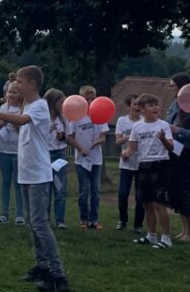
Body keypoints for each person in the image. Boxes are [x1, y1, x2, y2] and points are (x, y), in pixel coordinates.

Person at [0, 66, 69, 292]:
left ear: (32, 84)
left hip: (38, 174)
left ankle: (58, 275)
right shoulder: (28, 105)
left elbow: (20, 120)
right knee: (33, 223)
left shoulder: (40, 105)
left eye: (19, 82)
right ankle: (42, 267)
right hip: (27, 173)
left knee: (40, 224)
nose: (16, 86)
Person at [125, 93, 175, 249]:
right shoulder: (137, 127)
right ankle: (151, 236)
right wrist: (125, 154)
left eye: (156, 105)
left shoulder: (163, 125)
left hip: (160, 164)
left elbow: (171, 147)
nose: (155, 108)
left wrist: (163, 139)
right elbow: (132, 147)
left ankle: (166, 238)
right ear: (142, 109)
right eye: (151, 105)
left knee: (160, 203)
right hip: (143, 165)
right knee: (146, 203)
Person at [67, 85, 109, 229]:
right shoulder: (76, 117)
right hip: (81, 159)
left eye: (92, 98)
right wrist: (80, 148)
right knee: (84, 190)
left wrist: (96, 142)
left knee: (95, 190)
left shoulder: (100, 116)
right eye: (87, 99)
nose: (90, 101)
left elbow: (103, 137)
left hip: (96, 158)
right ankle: (83, 218)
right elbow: (70, 137)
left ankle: (93, 219)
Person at [166, 72, 190, 241]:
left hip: (188, 153)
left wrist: (178, 130)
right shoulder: (174, 104)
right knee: (177, 190)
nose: (171, 88)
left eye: (173, 86)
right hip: (174, 151)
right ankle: (184, 229)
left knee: (187, 191)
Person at [0, 82, 25, 224]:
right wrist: (2, 123)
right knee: (5, 182)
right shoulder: (3, 108)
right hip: (4, 150)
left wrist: (13, 122)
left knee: (18, 184)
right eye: (10, 92)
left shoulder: (24, 109)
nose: (11, 95)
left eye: (15, 92)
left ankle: (20, 214)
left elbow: (24, 128)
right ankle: (4, 214)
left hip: (19, 151)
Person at [114, 94, 143, 232]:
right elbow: (117, 140)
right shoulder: (122, 121)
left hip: (141, 162)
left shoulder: (144, 121)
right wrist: (129, 136)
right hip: (126, 162)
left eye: (139, 104)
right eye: (135, 104)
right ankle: (122, 220)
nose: (137, 107)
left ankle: (138, 225)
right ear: (129, 106)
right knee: (123, 193)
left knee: (140, 195)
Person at [44, 88, 69, 228]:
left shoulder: (63, 118)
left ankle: (60, 220)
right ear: (53, 102)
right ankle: (45, 218)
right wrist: (50, 130)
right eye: (60, 102)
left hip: (59, 154)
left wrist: (62, 136)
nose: (62, 105)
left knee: (60, 187)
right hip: (46, 154)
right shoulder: (44, 117)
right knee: (46, 188)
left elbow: (68, 136)